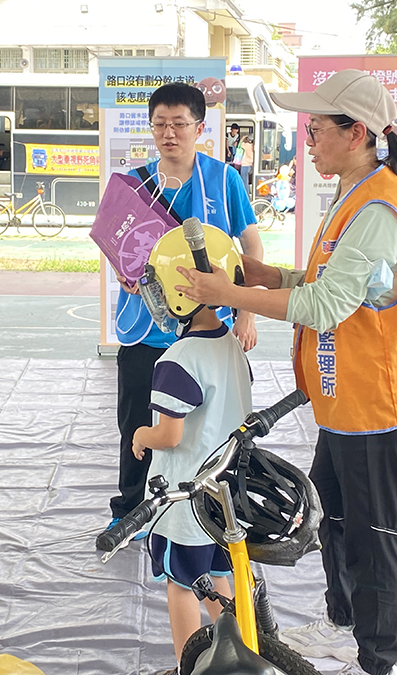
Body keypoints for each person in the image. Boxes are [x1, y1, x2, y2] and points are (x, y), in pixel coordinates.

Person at [172, 69, 397, 675]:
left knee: (378, 538)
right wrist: (273, 278)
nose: (308, 139)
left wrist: (232, 294)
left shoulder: (377, 207)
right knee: (334, 520)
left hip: (385, 406)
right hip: (352, 400)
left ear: (358, 133)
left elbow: (326, 307)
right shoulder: (357, 191)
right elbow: (331, 286)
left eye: (316, 128)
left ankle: (378, 659)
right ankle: (344, 624)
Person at [101, 81, 263, 540]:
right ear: (150, 127)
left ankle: (214, 510)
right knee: (136, 424)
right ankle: (130, 510)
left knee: (216, 427)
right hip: (146, 329)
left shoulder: (224, 178)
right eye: (160, 124)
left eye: (179, 124)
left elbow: (249, 243)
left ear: (199, 126)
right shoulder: (134, 184)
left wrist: (248, 311)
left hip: (209, 329)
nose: (169, 133)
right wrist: (122, 272)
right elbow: (117, 251)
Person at [132, 224, 251, 673]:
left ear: (181, 294)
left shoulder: (177, 359)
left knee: (182, 585)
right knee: (221, 578)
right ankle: (239, 655)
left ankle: (189, 664)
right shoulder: (233, 346)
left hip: (184, 506)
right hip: (224, 501)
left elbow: (170, 435)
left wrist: (141, 436)